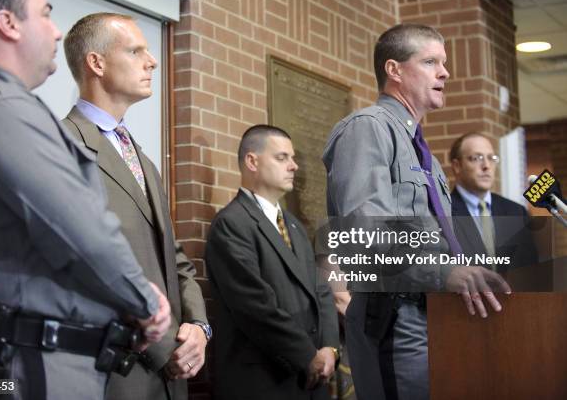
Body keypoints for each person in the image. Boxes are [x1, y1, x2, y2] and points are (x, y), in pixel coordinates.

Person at [0, 0, 170, 399]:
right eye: (46, 14)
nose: (56, 32)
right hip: (30, 365)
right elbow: (82, 231)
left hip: (7, 361)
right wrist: (146, 303)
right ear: (8, 23)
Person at [322, 24, 511, 400]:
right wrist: (445, 273)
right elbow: (366, 233)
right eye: (430, 62)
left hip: (436, 316)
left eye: (444, 63)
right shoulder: (368, 129)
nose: (445, 72)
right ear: (394, 70)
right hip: (395, 318)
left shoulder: (426, 156)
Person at [61, 12, 209, 400]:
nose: (153, 60)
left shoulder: (143, 159)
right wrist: (165, 348)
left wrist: (197, 327)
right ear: (96, 62)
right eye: (135, 50)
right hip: (118, 371)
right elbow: (83, 262)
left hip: (172, 373)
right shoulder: (63, 145)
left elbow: (174, 260)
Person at [205, 125, 339, 400]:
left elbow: (320, 290)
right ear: (252, 161)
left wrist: (329, 348)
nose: (293, 166)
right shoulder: (232, 224)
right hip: (263, 382)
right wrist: (307, 355)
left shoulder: (293, 225)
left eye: (292, 158)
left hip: (310, 380)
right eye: (282, 158)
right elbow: (257, 307)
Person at [450, 132, 538, 271]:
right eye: (476, 158)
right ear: (457, 166)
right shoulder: (441, 211)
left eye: (491, 158)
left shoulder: (516, 212)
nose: (486, 166)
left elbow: (531, 268)